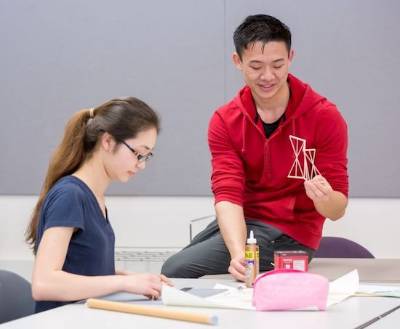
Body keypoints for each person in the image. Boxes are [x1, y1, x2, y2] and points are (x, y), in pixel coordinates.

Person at [162, 14, 348, 281]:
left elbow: (338, 210)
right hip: (248, 223)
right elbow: (227, 194)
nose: (268, 76)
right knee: (176, 270)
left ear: (291, 58)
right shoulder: (225, 120)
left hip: (292, 233)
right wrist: (241, 255)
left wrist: (324, 199)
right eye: (256, 66)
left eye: (277, 65)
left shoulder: (324, 117)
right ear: (237, 61)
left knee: (176, 270)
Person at [26, 97, 171, 313]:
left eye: (146, 156)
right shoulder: (70, 195)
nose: (140, 165)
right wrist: (123, 283)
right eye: (137, 153)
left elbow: (84, 270)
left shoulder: (95, 198)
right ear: (108, 141)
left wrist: (134, 278)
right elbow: (44, 284)